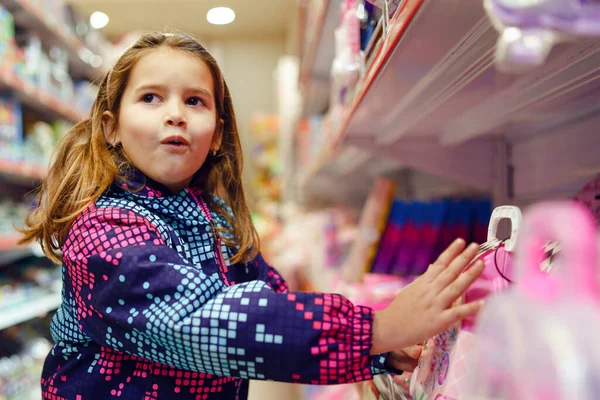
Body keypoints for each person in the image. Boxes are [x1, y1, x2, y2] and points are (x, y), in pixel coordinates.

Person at [19, 32, 485, 399]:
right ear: (111, 128)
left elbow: (272, 302)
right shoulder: (102, 230)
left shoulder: (216, 219)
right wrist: (375, 328)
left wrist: (379, 353)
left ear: (217, 134)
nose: (176, 114)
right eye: (151, 98)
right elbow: (204, 321)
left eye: (195, 101)